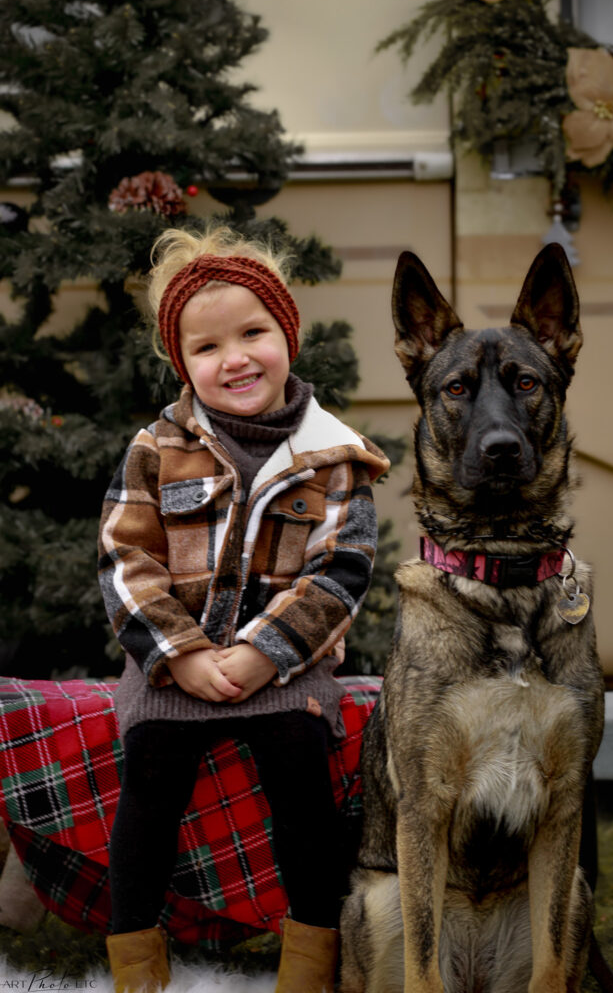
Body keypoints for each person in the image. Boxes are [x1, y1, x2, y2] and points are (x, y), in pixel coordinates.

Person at [98, 224, 390, 993]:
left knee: (301, 772)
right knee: (151, 776)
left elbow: (341, 570)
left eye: (253, 333)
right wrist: (182, 653)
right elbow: (126, 559)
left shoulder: (333, 456)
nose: (234, 359)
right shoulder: (156, 448)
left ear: (287, 334)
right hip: (173, 662)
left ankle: (311, 962)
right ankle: (135, 963)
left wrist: (267, 652)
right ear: (181, 362)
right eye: (207, 347)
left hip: (283, 665)